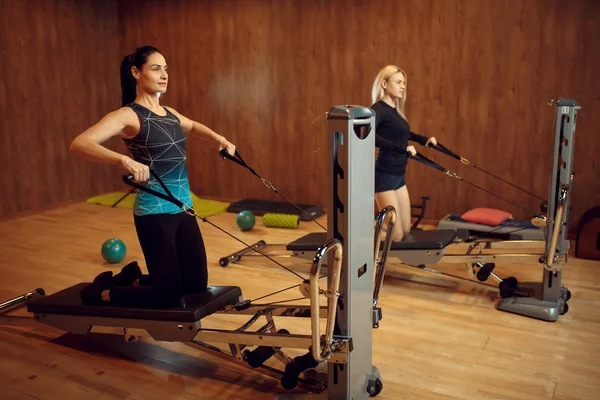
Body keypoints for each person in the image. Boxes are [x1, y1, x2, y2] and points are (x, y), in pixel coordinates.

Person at [70, 45, 236, 307]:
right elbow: (80, 143)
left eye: (166, 69)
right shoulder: (129, 115)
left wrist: (220, 139)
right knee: (168, 296)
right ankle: (101, 293)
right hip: (154, 215)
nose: (164, 74)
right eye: (156, 68)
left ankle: (133, 278)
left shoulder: (169, 113)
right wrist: (123, 159)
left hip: (184, 210)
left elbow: (193, 126)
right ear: (136, 72)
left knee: (195, 285)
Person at [371, 65, 437, 242]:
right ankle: (357, 231)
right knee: (396, 235)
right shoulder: (378, 109)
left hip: (398, 175)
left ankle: (374, 226)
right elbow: (369, 135)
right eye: (398, 82)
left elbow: (402, 134)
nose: (403, 86)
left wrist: (424, 140)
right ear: (384, 84)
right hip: (384, 175)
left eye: (404, 83)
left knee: (406, 229)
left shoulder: (394, 111)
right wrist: (401, 149)